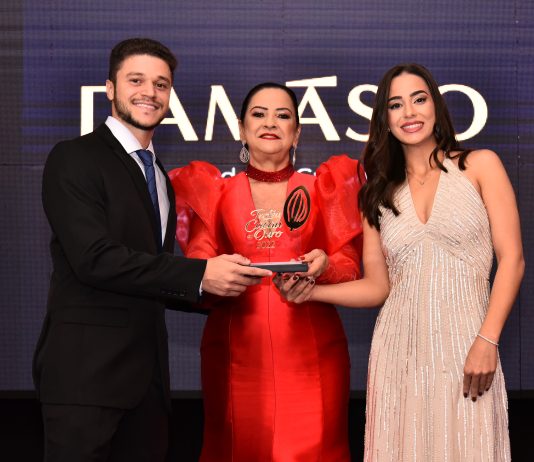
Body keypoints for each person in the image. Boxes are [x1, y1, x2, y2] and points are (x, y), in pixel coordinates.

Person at [32, 38, 270, 462]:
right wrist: (200, 274)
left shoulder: (158, 174)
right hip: (85, 379)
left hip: (148, 386)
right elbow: (94, 259)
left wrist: (233, 286)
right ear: (110, 88)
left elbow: (151, 274)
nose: (150, 92)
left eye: (161, 84)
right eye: (136, 80)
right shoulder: (74, 158)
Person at [277, 63, 524, 461]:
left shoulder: (480, 166)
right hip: (398, 355)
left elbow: (512, 259)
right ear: (385, 119)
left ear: (436, 106)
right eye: (395, 104)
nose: (409, 112)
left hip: (468, 346)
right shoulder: (376, 194)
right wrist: (311, 293)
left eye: (419, 99)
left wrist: (487, 339)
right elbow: (378, 287)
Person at [169, 82, 364, 461]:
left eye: (282, 115)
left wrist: (323, 265)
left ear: (297, 132)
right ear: (242, 129)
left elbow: (350, 266)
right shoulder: (215, 193)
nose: (270, 123)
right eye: (259, 114)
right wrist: (215, 273)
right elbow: (197, 270)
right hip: (235, 354)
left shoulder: (323, 188)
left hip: (313, 353)